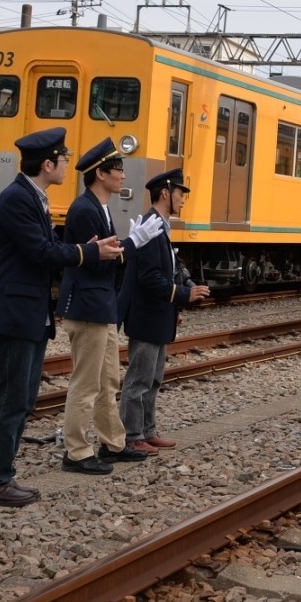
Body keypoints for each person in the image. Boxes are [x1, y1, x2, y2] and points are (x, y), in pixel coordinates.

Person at [0, 128, 123, 508]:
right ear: (48, 164)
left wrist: (81, 251)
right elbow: (40, 251)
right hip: (12, 314)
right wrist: (88, 253)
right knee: (11, 399)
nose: (68, 164)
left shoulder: (31, 197)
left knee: (22, 399)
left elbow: (48, 248)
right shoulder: (17, 199)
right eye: (63, 159)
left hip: (26, 313)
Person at [57, 138, 163, 475]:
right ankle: (76, 451)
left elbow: (104, 259)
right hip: (88, 309)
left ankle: (113, 441)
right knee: (87, 383)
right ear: (100, 174)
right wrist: (132, 244)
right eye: (118, 169)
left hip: (100, 308)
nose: (122, 175)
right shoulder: (86, 209)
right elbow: (97, 263)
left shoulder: (98, 207)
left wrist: (127, 245)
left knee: (107, 381)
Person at [119, 169, 209, 455]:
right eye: (181, 193)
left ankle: (147, 431)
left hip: (157, 314)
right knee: (139, 379)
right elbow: (149, 277)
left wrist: (174, 306)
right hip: (146, 315)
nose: (183, 199)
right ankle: (132, 436)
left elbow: (164, 273)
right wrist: (183, 294)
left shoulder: (160, 226)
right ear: (166, 193)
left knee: (153, 378)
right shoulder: (151, 226)